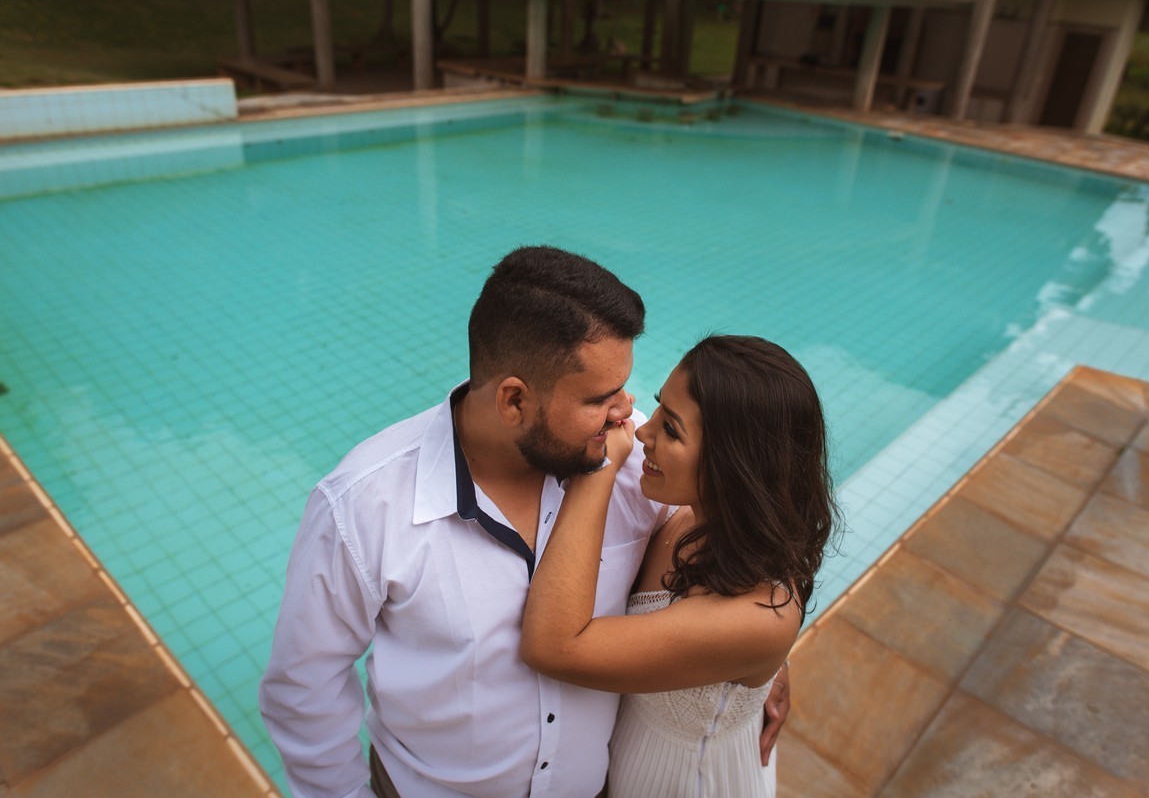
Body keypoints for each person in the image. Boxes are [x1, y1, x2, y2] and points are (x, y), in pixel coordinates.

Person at [259, 247, 790, 798]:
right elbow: (305, 690)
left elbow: (721, 525)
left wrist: (759, 662)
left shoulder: (635, 458)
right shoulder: (363, 507)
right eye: (601, 397)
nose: (626, 411)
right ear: (514, 401)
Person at [521, 335, 838, 797]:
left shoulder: (759, 615)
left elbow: (552, 647)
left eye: (670, 429)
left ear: (734, 465)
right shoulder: (690, 515)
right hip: (630, 758)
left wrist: (599, 471)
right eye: (657, 411)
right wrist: (770, 666)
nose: (642, 433)